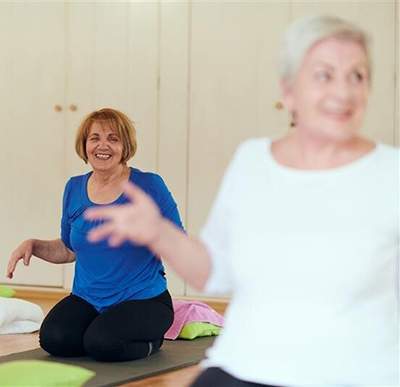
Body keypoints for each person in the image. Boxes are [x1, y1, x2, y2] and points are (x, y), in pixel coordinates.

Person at [83, 15, 399, 385]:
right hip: (248, 364)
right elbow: (214, 271)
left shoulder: (390, 173)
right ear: (289, 91)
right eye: (324, 75)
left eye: (357, 76)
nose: (343, 91)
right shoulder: (253, 161)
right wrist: (157, 233)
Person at [7, 108, 184, 362]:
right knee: (54, 339)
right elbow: (69, 249)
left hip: (144, 299)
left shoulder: (150, 185)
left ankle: (151, 342)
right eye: (95, 138)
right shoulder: (74, 188)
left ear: (125, 146)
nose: (103, 145)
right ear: (85, 145)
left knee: (103, 344)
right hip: (88, 299)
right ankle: (102, 330)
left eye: (113, 138)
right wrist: (34, 245)